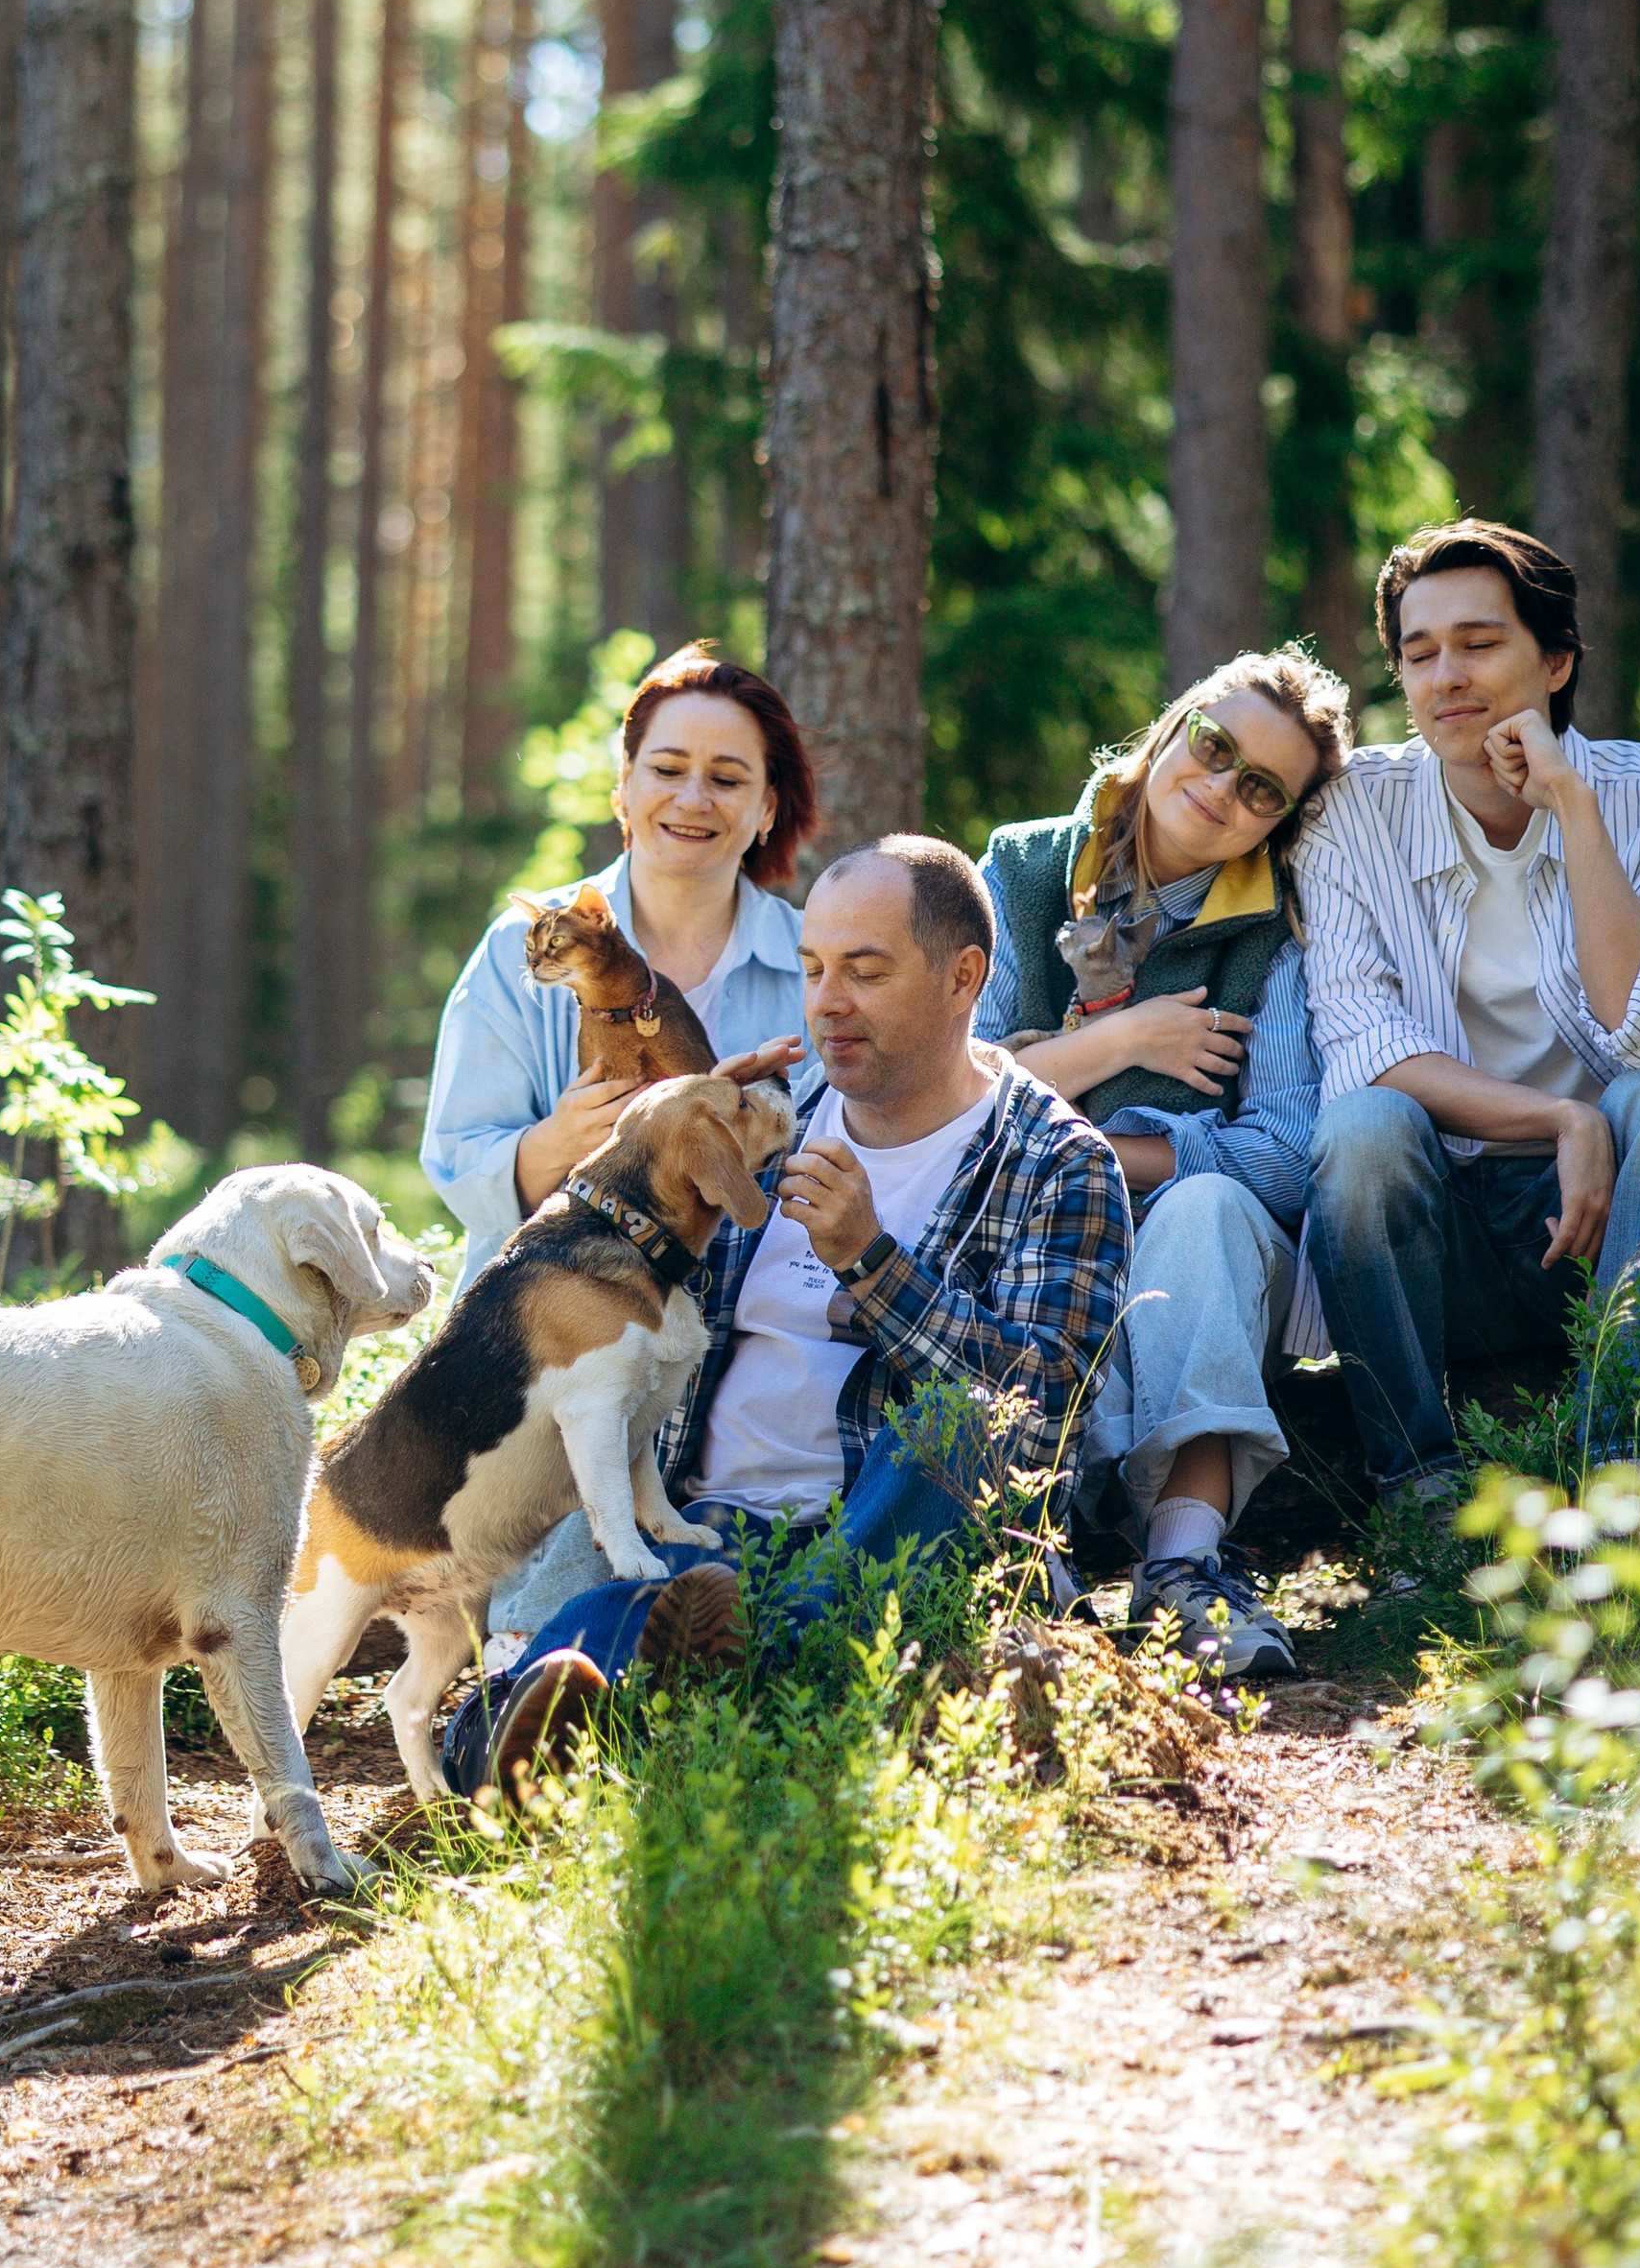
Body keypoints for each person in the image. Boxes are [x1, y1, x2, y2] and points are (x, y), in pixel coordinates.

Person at [438, 837, 1132, 1801]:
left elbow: (1043, 1403)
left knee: (964, 1425)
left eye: (865, 969)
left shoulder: (1057, 1160)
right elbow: (603, 1304)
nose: (826, 999)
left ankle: (686, 1694)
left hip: (887, 1526)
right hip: (706, 1533)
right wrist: (657, 1142)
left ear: (963, 976)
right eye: (812, 969)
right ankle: (565, 1726)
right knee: (598, 1627)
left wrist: (871, 1260)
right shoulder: (765, 1122)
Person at [1299, 521, 1640, 1500]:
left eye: (1478, 643)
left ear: (1554, 661)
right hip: (1443, 1227)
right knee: (1361, 1127)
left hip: (1627, 1226)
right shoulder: (1349, 814)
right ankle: (1414, 1487)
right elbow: (1367, 1051)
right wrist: (1563, 1118)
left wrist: (1573, 807)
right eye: (1418, 654)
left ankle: (1628, 1472)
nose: (1445, 677)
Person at [973, 648, 1354, 1682]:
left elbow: (1280, 1159)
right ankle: (1022, 1556)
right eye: (1213, 743)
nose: (1221, 785)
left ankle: (1184, 1570)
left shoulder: (1273, 935)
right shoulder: (1018, 866)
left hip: (1190, 1273)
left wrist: (1098, 1148)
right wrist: (1121, 1040)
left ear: (1278, 819)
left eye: (1260, 787)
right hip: (1027, 1248)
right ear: (1174, 723)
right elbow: (949, 1090)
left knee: (1214, 1203)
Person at [421, 644, 816, 1290]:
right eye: (666, 769)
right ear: (623, 787)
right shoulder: (514, 949)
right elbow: (456, 1161)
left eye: (726, 779)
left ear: (768, 807)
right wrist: (560, 1140)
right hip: (556, 1338)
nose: (693, 798)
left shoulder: (814, 962)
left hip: (753, 1350)